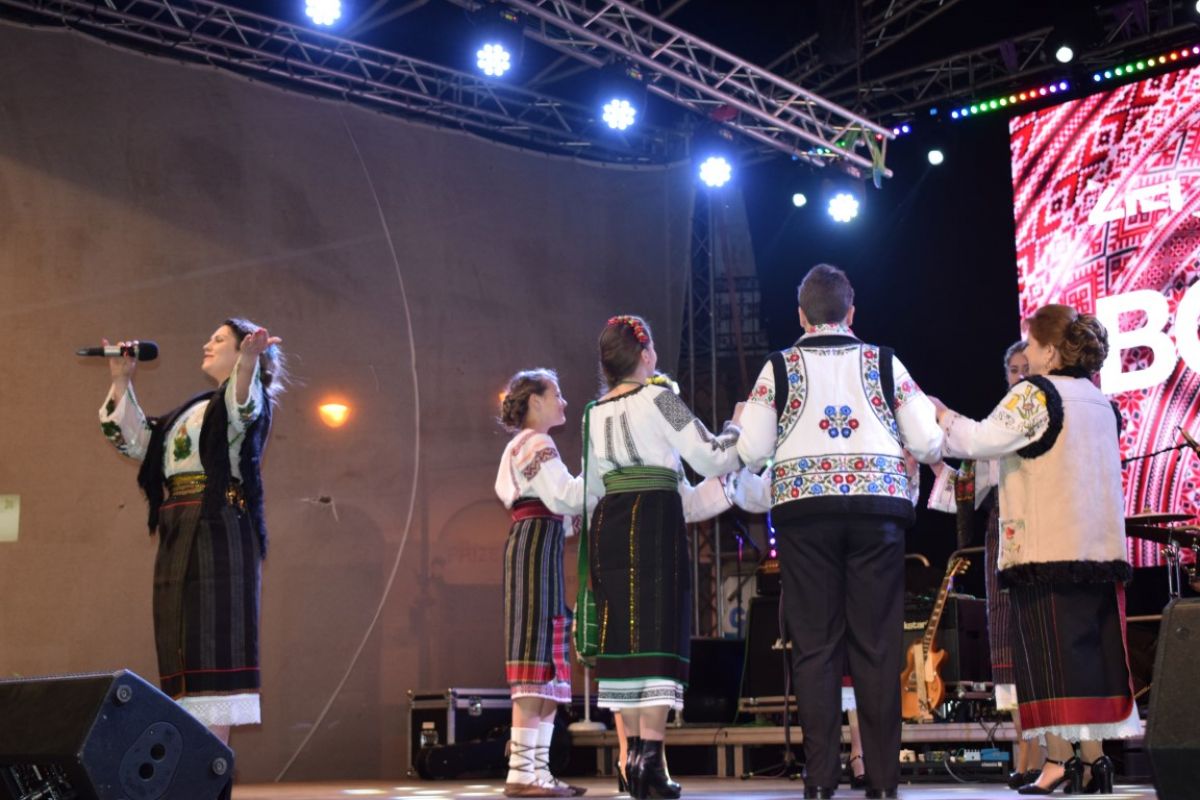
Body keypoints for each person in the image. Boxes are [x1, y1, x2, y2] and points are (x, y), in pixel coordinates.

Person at [736, 264, 944, 800]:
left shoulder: (778, 366)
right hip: (877, 512)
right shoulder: (884, 361)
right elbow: (927, 441)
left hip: (806, 515)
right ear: (852, 313)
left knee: (815, 647)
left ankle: (821, 778)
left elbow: (752, 450)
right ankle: (883, 781)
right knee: (877, 645)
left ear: (801, 316)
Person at [931, 305, 1138, 796]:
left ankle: (1058, 760)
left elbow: (979, 440)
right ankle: (1095, 761)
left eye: (1030, 343)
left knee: (1048, 662)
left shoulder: (1037, 394)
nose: (1026, 352)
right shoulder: (1100, 400)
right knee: (1087, 663)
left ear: (1047, 349)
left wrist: (940, 415)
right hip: (1099, 552)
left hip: (1047, 552)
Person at [97, 319, 285, 745]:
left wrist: (250, 362)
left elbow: (242, 407)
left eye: (219, 339)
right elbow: (139, 442)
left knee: (212, 644)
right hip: (180, 523)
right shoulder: (193, 410)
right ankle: (193, 766)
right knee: (180, 643)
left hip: (218, 525)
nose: (207, 343)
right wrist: (121, 379)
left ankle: (208, 767)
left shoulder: (244, 400)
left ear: (243, 350)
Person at [585, 315, 743, 800]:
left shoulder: (593, 412)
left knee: (624, 640)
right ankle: (650, 759)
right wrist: (737, 429)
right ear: (646, 353)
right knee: (657, 633)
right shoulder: (660, 399)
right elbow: (711, 456)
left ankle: (634, 756)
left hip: (609, 524)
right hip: (653, 519)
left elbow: (591, 486)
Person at [929, 340, 1046, 788]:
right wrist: (934, 457)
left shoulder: (1044, 413)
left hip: (1041, 529)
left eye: (1026, 367)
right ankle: (1027, 751)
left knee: (1039, 638)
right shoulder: (1002, 420)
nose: (1019, 376)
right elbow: (969, 484)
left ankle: (1049, 752)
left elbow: (975, 445)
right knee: (1007, 641)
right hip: (1003, 534)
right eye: (1013, 369)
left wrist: (945, 416)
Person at [495, 369, 588, 798]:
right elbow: (566, 496)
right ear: (535, 401)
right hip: (534, 552)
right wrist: (601, 471)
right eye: (557, 394)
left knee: (546, 660)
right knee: (535, 657)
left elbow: (563, 513)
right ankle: (522, 774)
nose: (563, 402)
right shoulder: (536, 443)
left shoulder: (529, 444)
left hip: (539, 549)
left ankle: (536, 772)